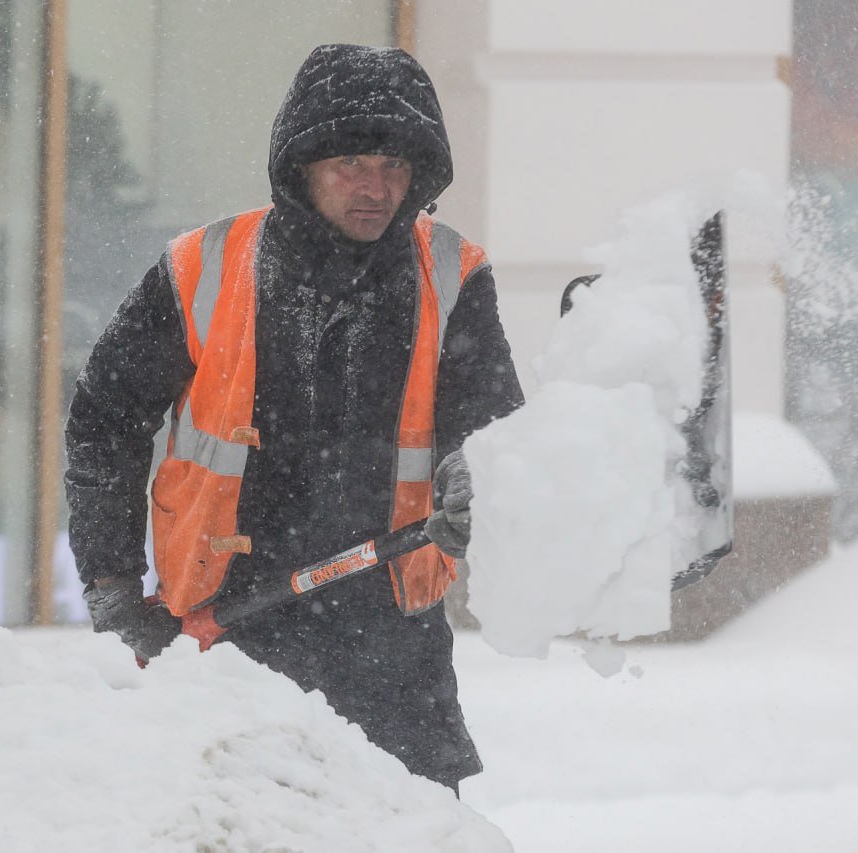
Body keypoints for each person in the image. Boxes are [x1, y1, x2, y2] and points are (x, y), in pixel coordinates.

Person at [65, 44, 523, 792]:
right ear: (302, 166)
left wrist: (479, 475)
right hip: (230, 629)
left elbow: (492, 424)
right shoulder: (203, 266)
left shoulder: (452, 274)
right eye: (349, 162)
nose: (373, 187)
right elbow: (103, 421)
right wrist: (113, 579)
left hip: (391, 648)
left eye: (393, 166)